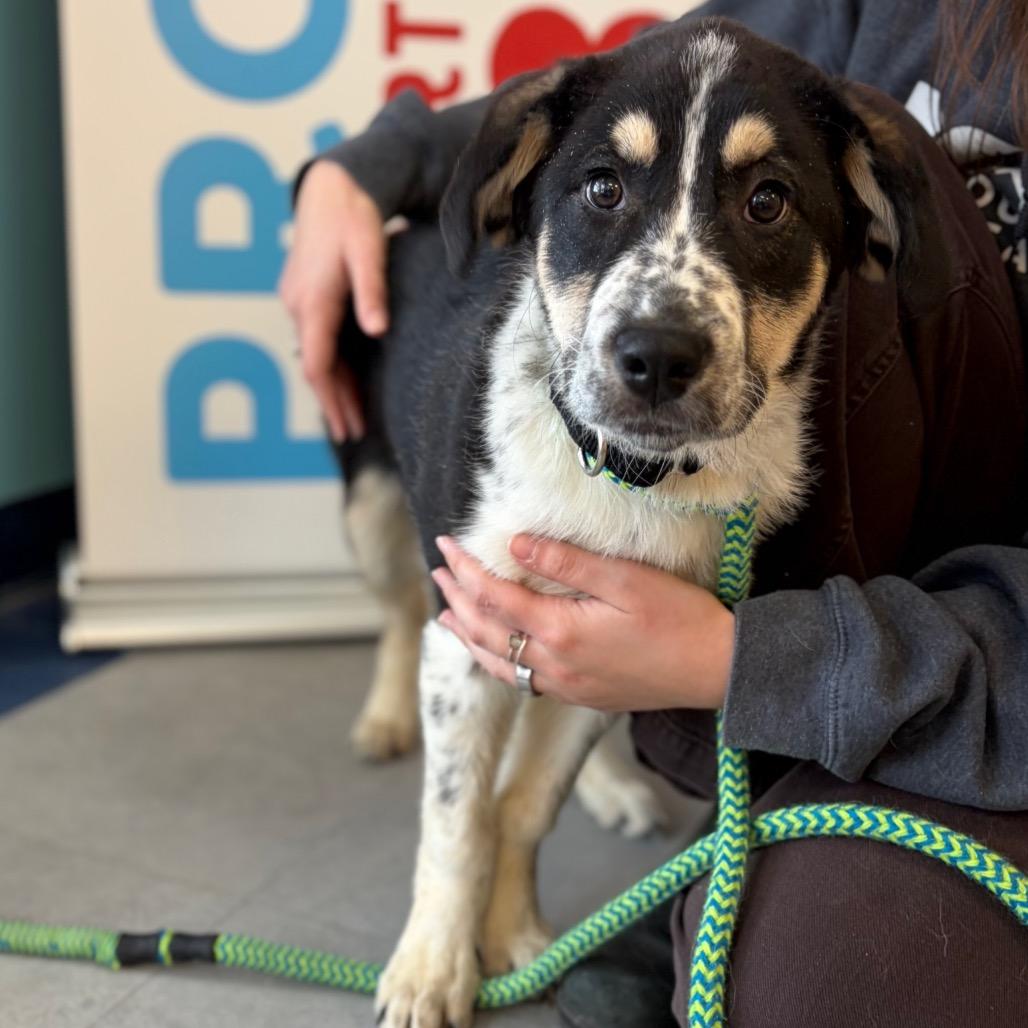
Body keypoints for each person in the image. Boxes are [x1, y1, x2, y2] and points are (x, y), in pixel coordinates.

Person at [281, 1, 1028, 1025]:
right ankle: (399, 681)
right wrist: (356, 169)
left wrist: (734, 661)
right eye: (601, 187)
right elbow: (621, 89)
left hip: (968, 655)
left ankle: (708, 865)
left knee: (822, 975)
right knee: (404, 571)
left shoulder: (866, 174)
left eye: (766, 199)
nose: (658, 324)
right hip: (823, 607)